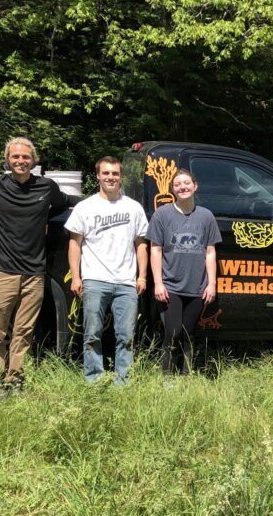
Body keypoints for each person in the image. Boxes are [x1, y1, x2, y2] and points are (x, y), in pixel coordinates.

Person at [0, 137, 72, 395]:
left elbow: (66, 203)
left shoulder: (46, 187)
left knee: (24, 331)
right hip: (1, 270)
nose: (21, 161)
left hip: (34, 274)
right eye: (15, 157)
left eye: (26, 157)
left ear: (34, 160)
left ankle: (14, 379)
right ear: (7, 159)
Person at [66, 156, 148, 385]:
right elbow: (75, 243)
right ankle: (94, 379)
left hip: (126, 282)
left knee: (127, 336)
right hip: (95, 279)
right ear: (98, 177)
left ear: (121, 177)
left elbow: (141, 244)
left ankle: (124, 380)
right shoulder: (85, 207)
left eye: (114, 173)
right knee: (92, 334)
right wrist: (76, 276)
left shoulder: (133, 208)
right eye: (106, 173)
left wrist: (142, 276)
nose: (110, 177)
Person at [148, 169, 221, 375]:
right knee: (173, 333)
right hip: (170, 286)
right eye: (178, 184)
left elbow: (210, 252)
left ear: (195, 186)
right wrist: (158, 283)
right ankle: (167, 377)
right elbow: (155, 249)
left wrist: (212, 284)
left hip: (197, 287)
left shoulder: (206, 216)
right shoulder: (162, 214)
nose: (183, 187)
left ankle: (186, 376)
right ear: (172, 189)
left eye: (187, 183)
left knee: (189, 334)